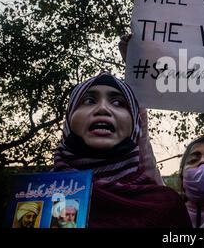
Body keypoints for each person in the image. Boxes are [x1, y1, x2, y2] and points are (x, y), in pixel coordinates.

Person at [53, 72, 192, 228]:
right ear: (69, 119)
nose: (103, 109)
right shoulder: (33, 194)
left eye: (118, 103)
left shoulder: (165, 205)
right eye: (89, 100)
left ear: (135, 124)